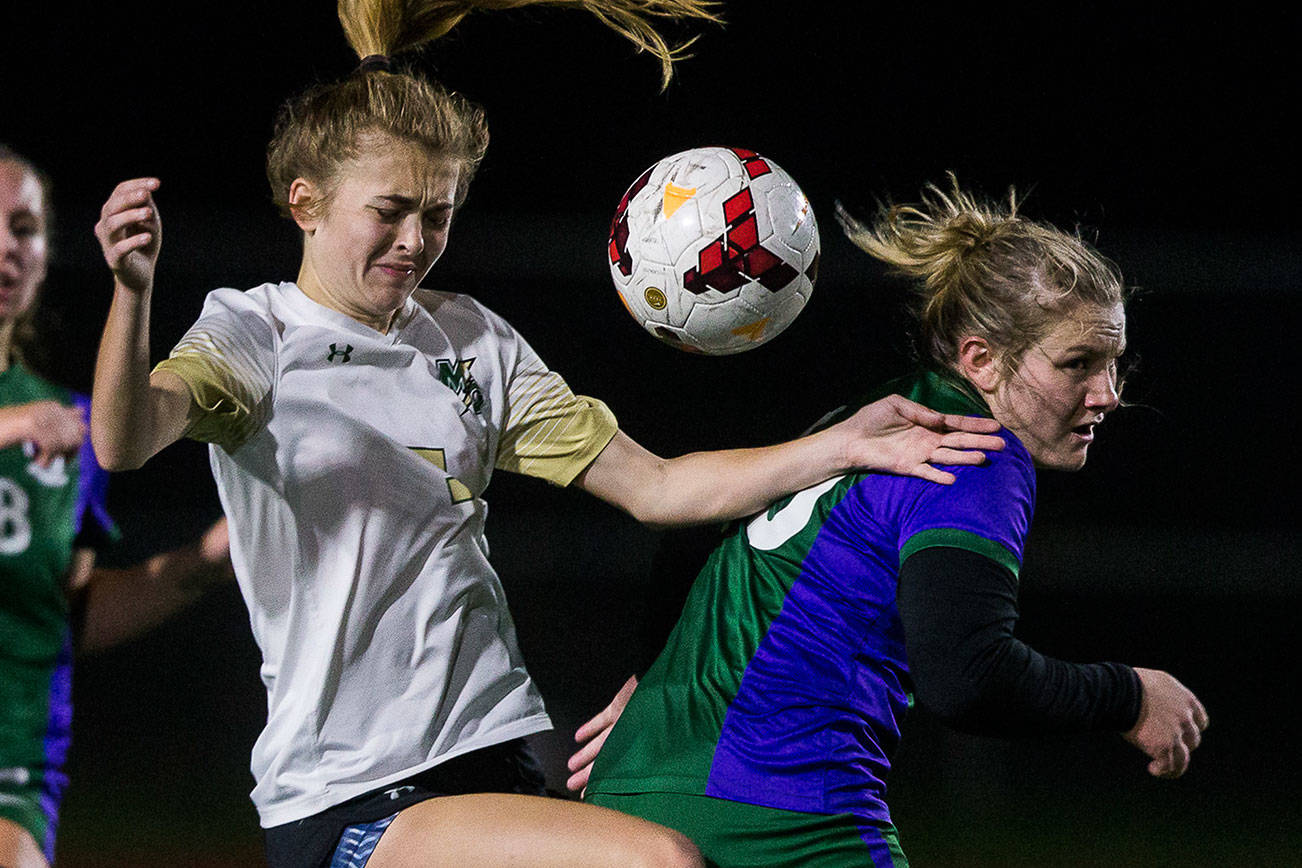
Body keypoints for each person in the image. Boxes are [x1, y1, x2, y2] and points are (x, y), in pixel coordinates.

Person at [87, 3, 1007, 866]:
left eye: (439, 213)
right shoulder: (255, 335)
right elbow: (125, 441)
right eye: (391, 211)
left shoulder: (471, 339)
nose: (416, 239)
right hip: (355, 792)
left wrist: (845, 444)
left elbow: (656, 488)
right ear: (305, 203)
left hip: (494, 758)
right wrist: (133, 295)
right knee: (658, 861)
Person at [573, 176, 1211, 866]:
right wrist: (1129, 695)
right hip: (781, 816)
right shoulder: (973, 452)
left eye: (1114, 362)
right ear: (982, 360)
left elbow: (698, 525)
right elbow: (966, 675)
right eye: (1078, 364)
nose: (1108, 395)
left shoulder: (865, 420)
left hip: (628, 794)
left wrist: (658, 675)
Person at [1, 144, 232, 868]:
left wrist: (210, 560)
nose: (8, 247)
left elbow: (68, 615)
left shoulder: (70, 424)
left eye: (25, 227)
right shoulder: (31, 426)